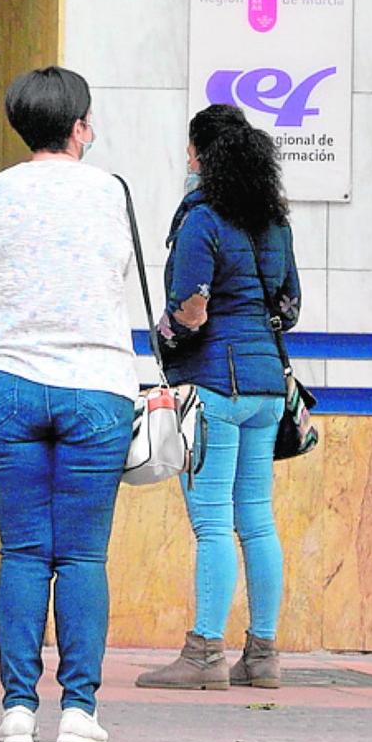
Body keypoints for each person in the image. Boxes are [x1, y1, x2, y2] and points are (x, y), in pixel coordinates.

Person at [0, 66, 136, 742]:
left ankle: (17, 709)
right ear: (80, 127)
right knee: (84, 557)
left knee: (24, 553)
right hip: (96, 387)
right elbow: (118, 271)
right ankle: (81, 711)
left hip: (12, 384)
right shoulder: (109, 192)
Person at [136, 103, 300, 692]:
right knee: (256, 519)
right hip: (265, 389)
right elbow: (289, 308)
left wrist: (167, 334)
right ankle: (264, 653)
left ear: (204, 156)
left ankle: (205, 651)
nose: (186, 161)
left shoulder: (203, 219)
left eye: (189, 151)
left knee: (210, 523)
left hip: (215, 386)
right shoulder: (274, 221)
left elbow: (193, 307)